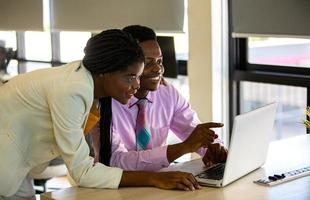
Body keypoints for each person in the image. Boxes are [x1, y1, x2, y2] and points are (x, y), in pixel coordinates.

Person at [0, 29, 201, 200]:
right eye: (131, 77)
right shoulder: (73, 91)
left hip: (18, 165)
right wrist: (154, 178)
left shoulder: (90, 85)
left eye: (138, 77)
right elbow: (82, 171)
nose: (137, 85)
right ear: (106, 72)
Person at [88, 25, 227, 171]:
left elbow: (192, 131)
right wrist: (183, 148)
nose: (158, 69)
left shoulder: (166, 93)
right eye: (148, 63)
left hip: (160, 181)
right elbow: (115, 162)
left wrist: (212, 148)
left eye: (159, 61)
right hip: (120, 184)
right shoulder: (104, 101)